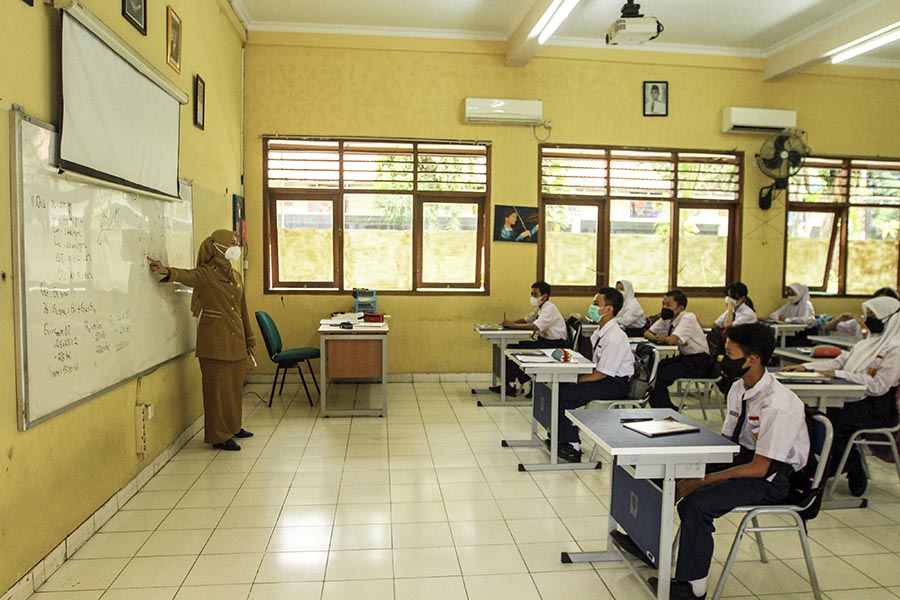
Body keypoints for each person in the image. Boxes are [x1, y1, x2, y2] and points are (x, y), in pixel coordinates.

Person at [651, 323, 809, 600]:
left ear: (752, 359)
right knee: (661, 474)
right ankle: (648, 546)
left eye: (729, 352)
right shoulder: (739, 388)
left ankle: (693, 588)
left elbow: (761, 468)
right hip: (744, 457)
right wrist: (685, 440)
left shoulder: (779, 404)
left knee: (697, 503)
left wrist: (701, 480)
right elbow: (726, 442)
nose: (723, 359)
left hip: (773, 477)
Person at [147, 230, 256, 451]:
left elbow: (242, 309)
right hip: (215, 343)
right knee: (216, 391)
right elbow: (188, 276)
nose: (236, 246)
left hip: (235, 341)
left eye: (237, 243)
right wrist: (167, 270)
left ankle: (233, 426)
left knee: (234, 388)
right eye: (231, 243)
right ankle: (218, 435)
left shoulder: (236, 276)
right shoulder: (207, 273)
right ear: (217, 247)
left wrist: (249, 338)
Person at [783, 295, 900, 496]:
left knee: (831, 421)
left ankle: (843, 466)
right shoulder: (867, 343)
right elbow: (839, 361)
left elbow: (880, 386)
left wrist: (838, 375)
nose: (867, 318)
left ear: (887, 318)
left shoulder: (895, 349)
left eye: (872, 315)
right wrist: (807, 367)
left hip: (877, 407)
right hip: (854, 399)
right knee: (811, 417)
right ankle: (827, 467)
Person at [554, 287, 635, 463]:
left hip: (614, 384)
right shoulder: (601, 332)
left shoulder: (614, 337)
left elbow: (601, 374)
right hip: (604, 378)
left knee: (565, 394)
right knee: (557, 386)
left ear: (608, 309)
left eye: (596, 303)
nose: (592, 306)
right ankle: (559, 435)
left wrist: (575, 379)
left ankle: (572, 445)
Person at [491, 281, 567, 397]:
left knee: (513, 348)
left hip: (553, 345)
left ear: (544, 296)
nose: (532, 297)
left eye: (535, 294)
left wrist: (513, 326)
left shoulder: (549, 308)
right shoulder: (540, 307)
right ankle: (513, 383)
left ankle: (511, 385)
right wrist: (509, 323)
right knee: (513, 346)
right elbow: (527, 319)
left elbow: (535, 326)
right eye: (531, 294)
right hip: (543, 342)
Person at [644, 289, 710, 410]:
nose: (664, 307)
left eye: (668, 305)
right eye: (663, 304)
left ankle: (666, 410)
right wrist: (656, 337)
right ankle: (663, 407)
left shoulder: (688, 318)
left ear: (680, 308)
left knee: (658, 376)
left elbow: (672, 340)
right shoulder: (667, 318)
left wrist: (663, 339)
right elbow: (647, 333)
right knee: (652, 368)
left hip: (698, 362)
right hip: (684, 358)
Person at [825, 287, 898, 341]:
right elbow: (828, 328)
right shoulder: (864, 319)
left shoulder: (894, 324)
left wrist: (861, 323)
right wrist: (839, 319)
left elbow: (868, 340)